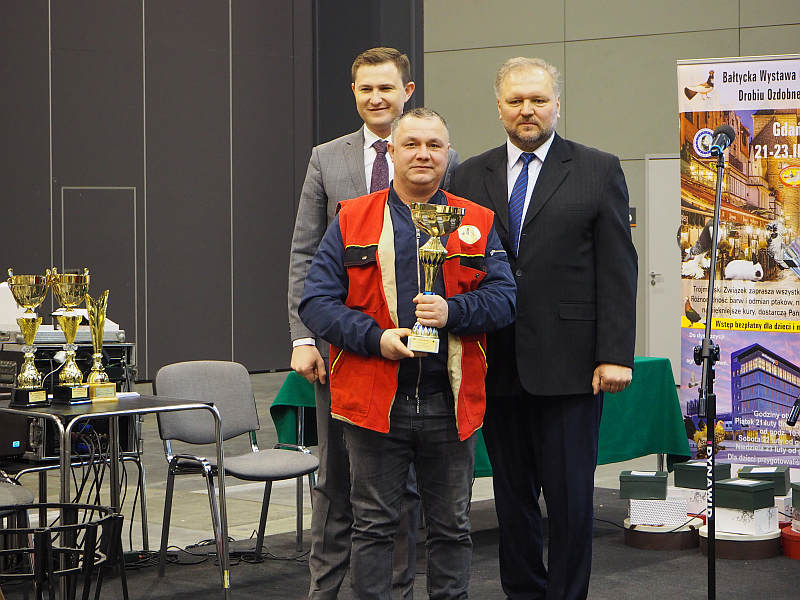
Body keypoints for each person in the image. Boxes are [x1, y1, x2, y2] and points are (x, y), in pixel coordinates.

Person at [299, 108, 516, 599]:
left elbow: (505, 299)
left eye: (434, 145)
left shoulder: (476, 221)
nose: (423, 154)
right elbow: (316, 302)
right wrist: (376, 339)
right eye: (412, 144)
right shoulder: (352, 218)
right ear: (391, 152)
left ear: (448, 154)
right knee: (373, 526)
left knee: (452, 528)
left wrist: (453, 311)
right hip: (376, 402)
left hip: (450, 402)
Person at [450, 57, 638, 600]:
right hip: (495, 362)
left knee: (571, 500)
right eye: (516, 101)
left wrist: (615, 353)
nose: (527, 110)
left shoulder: (598, 169)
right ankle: (524, 593)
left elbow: (618, 268)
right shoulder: (469, 176)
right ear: (499, 108)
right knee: (511, 501)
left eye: (537, 99)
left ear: (557, 103)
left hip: (571, 366)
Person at [287, 47, 458, 599]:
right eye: (366, 88)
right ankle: (325, 591)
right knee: (336, 481)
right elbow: (305, 253)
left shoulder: (441, 157)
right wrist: (302, 337)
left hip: (417, 358)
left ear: (407, 91)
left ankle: (395, 590)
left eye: (386, 88)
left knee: (400, 490)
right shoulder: (326, 158)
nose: (376, 98)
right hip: (342, 348)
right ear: (354, 93)